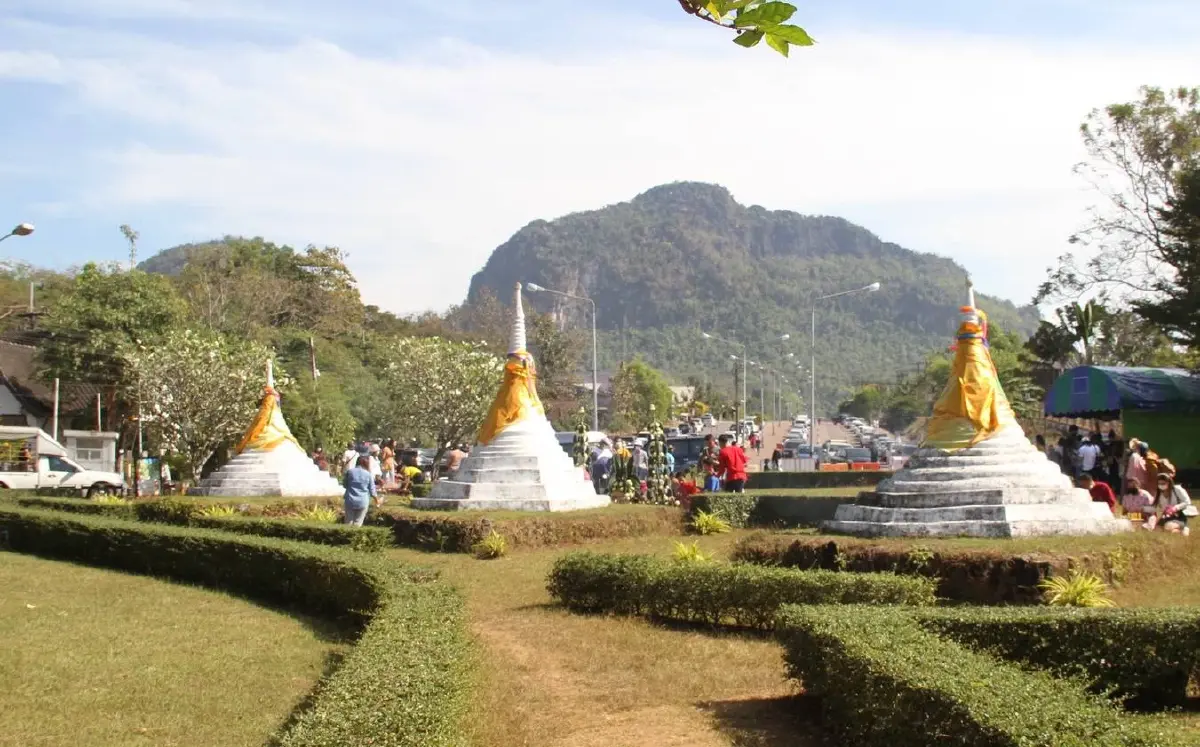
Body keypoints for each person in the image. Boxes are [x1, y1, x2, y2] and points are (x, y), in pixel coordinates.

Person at [342, 455, 377, 527]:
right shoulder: (368, 474)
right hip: (363, 500)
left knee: (348, 523)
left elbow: (345, 485)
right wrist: (377, 500)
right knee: (358, 523)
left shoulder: (350, 472)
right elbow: (372, 491)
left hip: (350, 500)